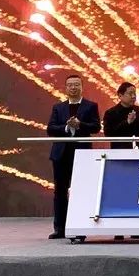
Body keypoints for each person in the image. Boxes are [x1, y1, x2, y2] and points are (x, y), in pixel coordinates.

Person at [46, 74, 101, 239]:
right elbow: (50, 128)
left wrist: (80, 125)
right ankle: (60, 228)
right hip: (61, 154)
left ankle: (80, 227)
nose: (73, 87)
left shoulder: (91, 106)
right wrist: (66, 127)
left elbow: (96, 127)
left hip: (82, 154)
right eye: (70, 85)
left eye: (76, 84)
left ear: (82, 87)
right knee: (60, 191)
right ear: (65, 88)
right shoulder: (58, 107)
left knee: (81, 191)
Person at [103, 82, 139, 148]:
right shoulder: (111, 113)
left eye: (134, 93)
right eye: (130, 93)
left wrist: (136, 120)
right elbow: (108, 134)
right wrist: (127, 122)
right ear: (120, 96)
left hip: (138, 149)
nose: (133, 96)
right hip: (119, 149)